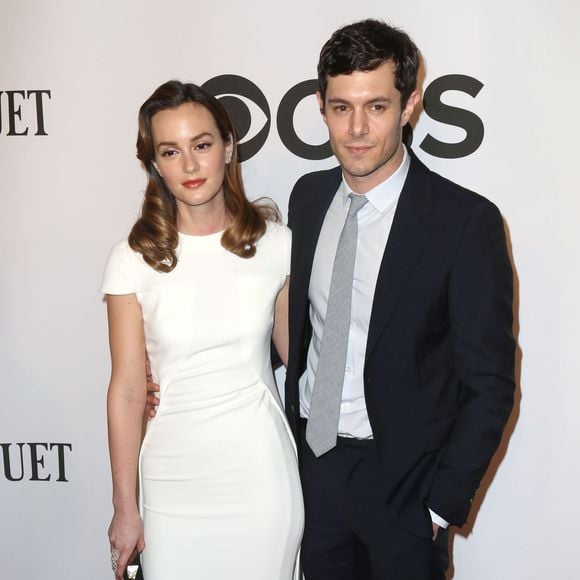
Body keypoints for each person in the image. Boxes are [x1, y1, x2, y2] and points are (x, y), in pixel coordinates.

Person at [282, 18, 515, 579]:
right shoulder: (309, 198)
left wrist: (440, 502)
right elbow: (299, 330)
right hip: (312, 471)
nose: (357, 129)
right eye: (342, 108)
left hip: (405, 489)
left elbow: (491, 383)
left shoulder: (464, 222)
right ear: (321, 106)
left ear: (410, 105)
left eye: (377, 107)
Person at [101, 80, 303, 580]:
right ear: (154, 163)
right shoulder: (132, 260)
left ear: (228, 148)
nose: (189, 166)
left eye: (202, 145)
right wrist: (126, 508)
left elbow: (305, 372)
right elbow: (127, 390)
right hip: (171, 483)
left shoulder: (278, 247)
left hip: (261, 476)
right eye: (171, 151)